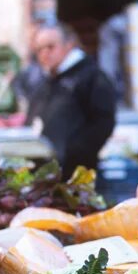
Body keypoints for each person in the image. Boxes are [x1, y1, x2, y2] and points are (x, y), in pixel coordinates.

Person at [26, 22, 116, 179]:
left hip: (75, 175)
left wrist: (73, 152)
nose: (45, 53)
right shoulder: (46, 80)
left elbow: (104, 122)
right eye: (39, 49)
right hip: (44, 174)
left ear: (68, 44)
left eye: (50, 46)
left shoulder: (91, 77)